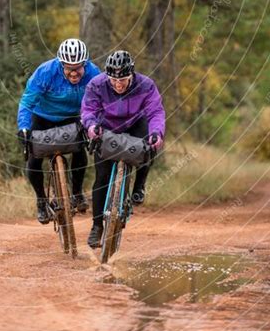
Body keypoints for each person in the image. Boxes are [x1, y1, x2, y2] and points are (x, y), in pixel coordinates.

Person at [81, 50, 165, 248]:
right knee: (101, 177)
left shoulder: (146, 85)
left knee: (148, 145)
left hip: (135, 123)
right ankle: (97, 226)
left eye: (123, 80)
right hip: (107, 125)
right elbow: (88, 110)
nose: (118, 85)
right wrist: (92, 127)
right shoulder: (96, 84)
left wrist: (157, 133)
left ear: (132, 75)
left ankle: (139, 186)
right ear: (107, 77)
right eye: (114, 80)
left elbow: (155, 111)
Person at [17, 38, 100, 224]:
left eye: (78, 68)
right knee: (34, 158)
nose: (74, 73)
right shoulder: (45, 72)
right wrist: (23, 127)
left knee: (80, 149)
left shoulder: (94, 73)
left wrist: (97, 123)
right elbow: (27, 102)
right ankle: (41, 201)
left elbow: (101, 101)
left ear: (85, 63)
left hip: (73, 117)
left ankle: (77, 192)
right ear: (61, 63)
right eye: (69, 68)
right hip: (42, 116)